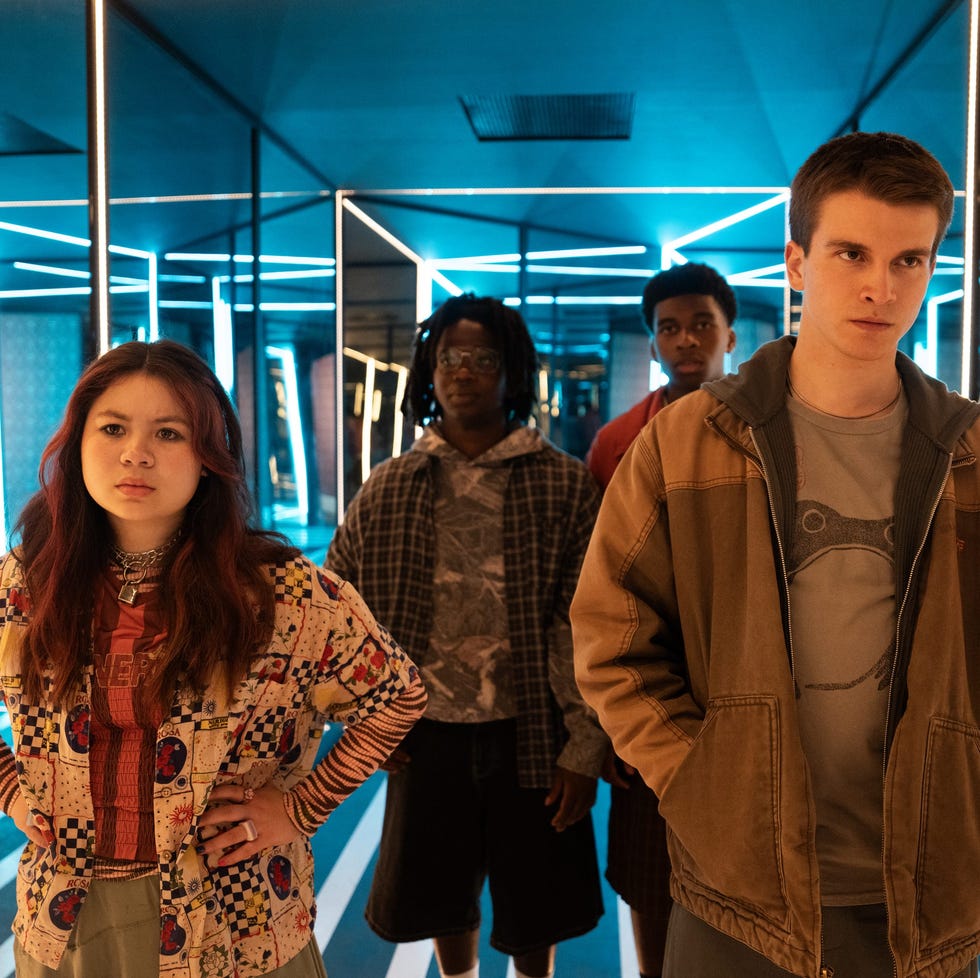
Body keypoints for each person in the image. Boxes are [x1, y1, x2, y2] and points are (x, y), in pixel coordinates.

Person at [571, 129, 980, 978]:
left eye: (910, 261)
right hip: (741, 884)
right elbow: (610, 636)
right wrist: (701, 780)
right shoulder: (688, 441)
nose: (880, 286)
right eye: (851, 253)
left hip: (927, 887)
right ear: (795, 262)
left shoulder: (970, 455)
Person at [0, 339, 426, 978]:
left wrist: (300, 808)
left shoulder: (281, 593)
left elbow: (397, 694)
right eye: (112, 427)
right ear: (77, 441)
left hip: (234, 913)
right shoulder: (29, 582)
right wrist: (10, 789)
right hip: (68, 915)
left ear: (210, 457)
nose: (135, 453)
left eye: (169, 433)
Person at [326, 294, 607, 978]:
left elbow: (589, 625)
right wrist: (362, 716)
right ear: (428, 368)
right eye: (449, 356)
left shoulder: (565, 487)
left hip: (532, 733)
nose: (463, 371)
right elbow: (333, 611)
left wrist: (585, 743)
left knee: (535, 894)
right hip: (425, 734)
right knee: (439, 889)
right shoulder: (390, 486)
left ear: (513, 372)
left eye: (484, 358)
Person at [584, 262, 736, 978]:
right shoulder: (616, 445)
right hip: (652, 688)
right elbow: (599, 593)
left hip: (744, 678)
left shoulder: (774, 428)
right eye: (669, 328)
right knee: (649, 876)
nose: (686, 340)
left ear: (728, 333)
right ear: (651, 344)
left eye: (701, 323)